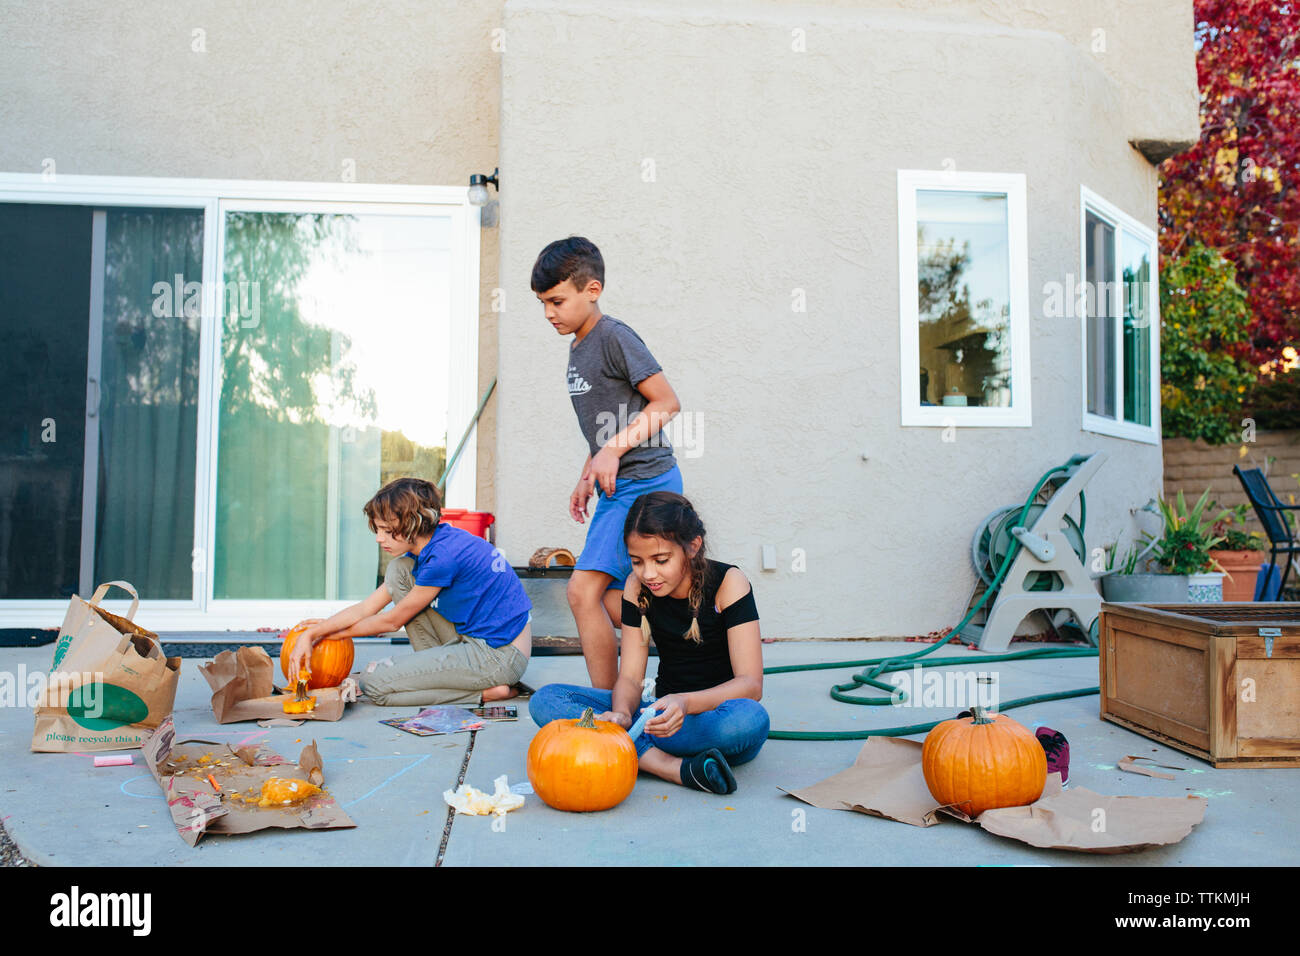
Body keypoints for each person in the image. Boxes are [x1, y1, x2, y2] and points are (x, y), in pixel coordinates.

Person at [529, 492, 768, 794]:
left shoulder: (728, 582)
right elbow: (629, 676)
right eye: (637, 561)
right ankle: (674, 768)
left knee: (749, 721)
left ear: (692, 547)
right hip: (657, 719)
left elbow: (751, 684)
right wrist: (622, 714)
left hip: (711, 719)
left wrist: (684, 703)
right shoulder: (636, 587)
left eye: (661, 560)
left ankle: (629, 749)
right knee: (547, 699)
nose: (649, 573)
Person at [532, 235, 684, 690]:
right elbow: (605, 426)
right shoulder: (578, 347)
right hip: (618, 486)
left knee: (582, 592)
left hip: (647, 481)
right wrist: (587, 475)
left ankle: (607, 706)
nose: (549, 313)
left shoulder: (613, 336)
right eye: (542, 303)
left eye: (557, 301)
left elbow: (666, 402)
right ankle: (682, 637)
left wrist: (613, 451)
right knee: (618, 595)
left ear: (591, 290)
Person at [287, 477, 532, 707]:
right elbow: (367, 608)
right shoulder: (434, 544)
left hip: (498, 657)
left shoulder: (442, 558)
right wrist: (315, 633)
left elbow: (392, 621)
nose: (378, 539)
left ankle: (484, 692)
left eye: (385, 530)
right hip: (478, 639)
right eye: (377, 530)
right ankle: (438, 671)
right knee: (400, 570)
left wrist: (327, 636)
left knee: (375, 685)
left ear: (412, 524)